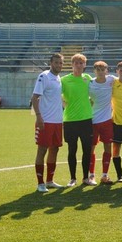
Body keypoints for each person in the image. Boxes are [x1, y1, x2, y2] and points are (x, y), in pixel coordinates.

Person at [31, 53, 64, 192]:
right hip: (45, 120)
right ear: (50, 63)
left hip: (57, 121)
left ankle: (50, 180)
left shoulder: (58, 78)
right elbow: (35, 98)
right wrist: (39, 116)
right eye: (56, 62)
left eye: (60, 63)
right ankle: (40, 183)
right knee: (42, 150)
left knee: (55, 149)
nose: (58, 65)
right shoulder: (44, 76)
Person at [61, 53, 94, 186]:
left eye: (81, 63)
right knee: (72, 150)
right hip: (70, 120)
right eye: (76, 63)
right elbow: (57, 95)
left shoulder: (88, 78)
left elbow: (95, 92)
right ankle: (73, 178)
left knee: (87, 150)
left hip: (86, 120)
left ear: (84, 65)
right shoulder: (64, 80)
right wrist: (64, 104)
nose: (79, 65)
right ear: (72, 65)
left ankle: (86, 178)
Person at [88, 61, 115, 184]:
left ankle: (105, 175)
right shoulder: (90, 84)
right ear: (94, 71)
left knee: (108, 147)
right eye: (97, 69)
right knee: (91, 149)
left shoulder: (111, 80)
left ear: (106, 71)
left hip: (107, 121)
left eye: (102, 69)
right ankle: (91, 175)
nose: (100, 71)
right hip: (92, 121)